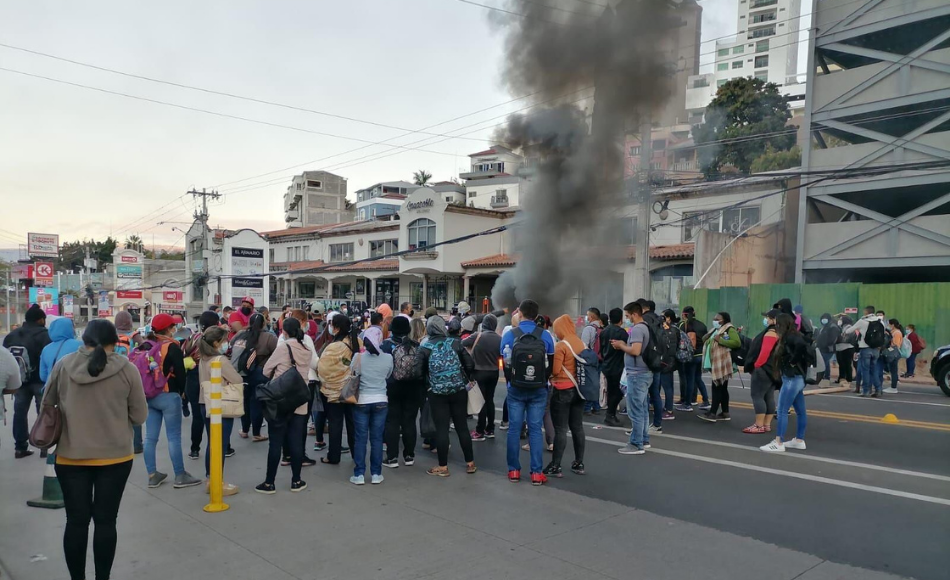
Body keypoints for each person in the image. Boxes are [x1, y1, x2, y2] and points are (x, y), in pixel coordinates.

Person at [42, 319, 148, 580]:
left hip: (70, 457)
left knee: (75, 522)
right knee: (106, 521)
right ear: (115, 340)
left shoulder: (64, 365)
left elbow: (47, 404)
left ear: (84, 339)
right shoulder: (127, 369)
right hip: (115, 458)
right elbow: (139, 416)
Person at [142, 313, 202, 489]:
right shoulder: (172, 346)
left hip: (150, 395)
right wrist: (182, 393)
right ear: (169, 329)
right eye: (173, 326)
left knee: (150, 438)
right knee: (173, 437)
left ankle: (152, 475)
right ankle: (180, 475)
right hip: (169, 394)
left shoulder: (147, 345)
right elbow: (181, 373)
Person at [256, 317, 315, 494]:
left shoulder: (283, 347)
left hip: (281, 401)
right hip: (299, 402)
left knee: (275, 443)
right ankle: (296, 481)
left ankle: (269, 483)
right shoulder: (306, 349)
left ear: (284, 331)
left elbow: (266, 370)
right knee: (296, 442)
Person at [500, 300, 555, 485]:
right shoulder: (545, 335)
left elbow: (505, 363)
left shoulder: (510, 334)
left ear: (520, 314)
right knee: (535, 430)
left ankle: (514, 471)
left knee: (514, 429)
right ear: (537, 316)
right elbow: (550, 365)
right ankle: (537, 473)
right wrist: (541, 381)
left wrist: (511, 381)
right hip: (539, 389)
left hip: (515, 389)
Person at [414, 315, 476, 477]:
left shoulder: (425, 347)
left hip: (437, 393)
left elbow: (417, 373)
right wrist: (464, 379)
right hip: (458, 390)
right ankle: (470, 463)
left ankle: (443, 467)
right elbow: (470, 364)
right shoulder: (455, 343)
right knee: (462, 426)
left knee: (442, 429)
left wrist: (428, 386)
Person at [196, 326, 241, 495]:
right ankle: (217, 482)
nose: (226, 344)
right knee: (220, 444)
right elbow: (237, 379)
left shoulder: (203, 358)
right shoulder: (220, 360)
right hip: (221, 404)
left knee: (212, 443)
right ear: (216, 343)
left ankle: (210, 479)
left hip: (204, 403)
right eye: (224, 341)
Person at [3, 303, 51, 458]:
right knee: (43, 413)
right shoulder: (45, 335)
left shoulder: (12, 335)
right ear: (40, 320)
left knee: (19, 413)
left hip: (20, 381)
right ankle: (43, 446)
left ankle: (20, 447)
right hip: (39, 380)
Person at [350, 326, 393, 485]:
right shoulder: (388, 358)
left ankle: (359, 474)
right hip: (381, 399)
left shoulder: (358, 357)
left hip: (362, 400)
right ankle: (376, 473)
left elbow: (353, 373)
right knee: (377, 439)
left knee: (360, 438)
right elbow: (388, 375)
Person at [545, 314, 587, 477]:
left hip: (562, 390)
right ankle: (579, 463)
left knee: (561, 429)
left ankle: (556, 466)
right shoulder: (581, 343)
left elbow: (555, 370)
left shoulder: (561, 345)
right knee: (577, 427)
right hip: (579, 391)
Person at [760, 314, 809, 453]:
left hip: (791, 379)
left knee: (782, 410)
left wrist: (792, 362)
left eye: (777, 324)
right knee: (800, 411)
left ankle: (778, 442)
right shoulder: (795, 335)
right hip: (798, 379)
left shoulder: (790, 337)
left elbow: (801, 346)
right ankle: (799, 440)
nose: (775, 326)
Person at [317, 314, 361, 464]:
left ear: (336, 328)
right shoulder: (357, 341)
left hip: (334, 393)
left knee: (335, 425)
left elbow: (323, 369)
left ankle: (333, 456)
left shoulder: (333, 347)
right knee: (352, 424)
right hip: (352, 391)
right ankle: (357, 456)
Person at [381, 316, 424, 467]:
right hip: (413, 387)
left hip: (392, 387)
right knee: (409, 422)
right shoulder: (416, 345)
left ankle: (392, 457)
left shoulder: (386, 345)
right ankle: (409, 456)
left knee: (392, 421)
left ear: (392, 329)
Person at [614, 302, 652, 455]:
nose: (627, 319)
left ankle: (636, 444)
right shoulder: (646, 327)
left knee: (635, 410)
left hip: (637, 374)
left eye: (628, 316)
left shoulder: (637, 329)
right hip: (644, 372)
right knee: (642, 408)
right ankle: (644, 439)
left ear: (635, 314)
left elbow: (636, 350)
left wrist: (621, 346)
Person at [181, 311, 220, 459]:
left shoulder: (192, 337)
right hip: (211, 376)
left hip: (192, 376)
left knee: (197, 416)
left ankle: (195, 449)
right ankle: (218, 446)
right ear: (216, 323)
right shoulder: (215, 339)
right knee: (214, 414)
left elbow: (183, 353)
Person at [237, 313, 278, 441]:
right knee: (257, 403)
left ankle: (244, 430)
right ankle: (256, 433)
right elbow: (277, 353)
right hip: (261, 373)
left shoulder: (241, 335)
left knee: (245, 402)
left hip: (242, 373)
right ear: (263, 324)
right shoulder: (269, 338)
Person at [462, 313, 503, 441]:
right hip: (494, 372)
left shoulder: (477, 336)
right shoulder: (499, 339)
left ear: (483, 324)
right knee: (490, 400)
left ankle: (479, 430)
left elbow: (463, 343)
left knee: (481, 401)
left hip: (479, 372)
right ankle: (490, 429)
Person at [698, 312, 740, 423]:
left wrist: (720, 340)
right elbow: (706, 339)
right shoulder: (716, 330)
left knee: (717, 388)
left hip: (722, 363)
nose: (715, 320)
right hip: (716, 363)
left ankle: (712, 413)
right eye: (714, 318)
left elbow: (736, 342)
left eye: (717, 319)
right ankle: (725, 412)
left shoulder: (729, 329)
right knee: (722, 388)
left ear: (724, 320)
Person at [742, 310, 780, 433]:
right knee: (769, 396)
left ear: (774, 319)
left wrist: (757, 365)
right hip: (774, 369)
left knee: (757, 395)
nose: (766, 320)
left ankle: (758, 425)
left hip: (764, 369)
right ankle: (766, 424)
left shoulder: (771, 333)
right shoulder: (781, 332)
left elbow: (765, 352)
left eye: (768, 317)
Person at [675, 306, 709, 412]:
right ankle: (706, 401)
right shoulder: (702, 325)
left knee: (689, 380)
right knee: (698, 378)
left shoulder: (685, 325)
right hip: (701, 354)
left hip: (691, 356)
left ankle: (687, 404)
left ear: (684, 314)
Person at [600, 308, 628, 427]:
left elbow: (601, 349)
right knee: (618, 392)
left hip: (607, 365)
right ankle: (610, 415)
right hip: (618, 365)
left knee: (611, 391)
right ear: (621, 319)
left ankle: (610, 414)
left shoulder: (604, 331)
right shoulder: (622, 333)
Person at [848, 306, 884, 398]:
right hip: (876, 349)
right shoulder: (880, 322)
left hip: (865, 348)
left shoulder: (862, 321)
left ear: (866, 312)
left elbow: (849, 331)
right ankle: (878, 390)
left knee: (865, 371)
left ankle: (866, 391)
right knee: (874, 370)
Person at [39, 317, 83, 384]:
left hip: (52, 387)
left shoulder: (46, 349)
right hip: (73, 386)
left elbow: (43, 376)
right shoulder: (80, 345)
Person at [580, 307, 603, 415]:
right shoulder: (602, 328)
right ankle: (596, 406)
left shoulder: (588, 329)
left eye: (588, 315)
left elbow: (584, 345)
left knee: (589, 383)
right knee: (597, 383)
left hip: (590, 359)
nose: (586, 317)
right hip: (600, 359)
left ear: (592, 316)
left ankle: (587, 408)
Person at [1, 346, 23, 449]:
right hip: (37, 382)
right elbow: (14, 387)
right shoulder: (4, 355)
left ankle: (21, 446)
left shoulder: (9, 339)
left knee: (20, 413)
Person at [815, 312, 840, 384]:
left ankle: (824, 377)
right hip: (823, 348)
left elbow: (832, 339)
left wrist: (825, 344)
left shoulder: (832, 327)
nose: (823, 320)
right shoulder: (824, 327)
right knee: (825, 362)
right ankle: (825, 377)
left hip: (828, 348)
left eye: (825, 319)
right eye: (822, 319)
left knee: (823, 362)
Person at [835, 315, 856, 389]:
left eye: (841, 319)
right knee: (841, 364)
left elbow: (847, 338)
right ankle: (841, 378)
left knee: (847, 364)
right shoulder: (839, 327)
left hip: (847, 348)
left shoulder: (849, 327)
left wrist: (838, 338)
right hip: (839, 348)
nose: (839, 321)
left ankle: (849, 378)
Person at [884, 319, 904, 394]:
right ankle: (893, 386)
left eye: (889, 324)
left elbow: (896, 344)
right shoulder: (893, 332)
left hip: (894, 353)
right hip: (893, 353)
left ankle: (893, 387)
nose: (888, 326)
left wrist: (889, 343)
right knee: (893, 370)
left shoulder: (897, 333)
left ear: (892, 325)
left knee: (894, 371)